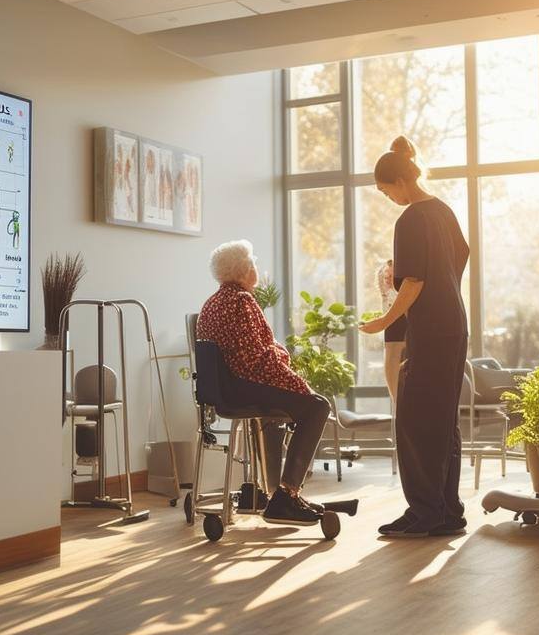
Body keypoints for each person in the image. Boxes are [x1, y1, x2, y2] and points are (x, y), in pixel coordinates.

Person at [360, 136, 469, 538]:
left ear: (400, 182)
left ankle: (423, 512)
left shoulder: (410, 220)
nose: (387, 197)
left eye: (386, 190)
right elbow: (459, 258)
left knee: (412, 419)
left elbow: (414, 281)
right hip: (455, 324)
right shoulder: (443, 211)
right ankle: (447, 512)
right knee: (442, 421)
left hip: (432, 330)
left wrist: (383, 319)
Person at [196, 240, 331, 525]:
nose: (257, 267)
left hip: (227, 390)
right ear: (245, 271)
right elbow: (258, 362)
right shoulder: (242, 301)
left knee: (303, 405)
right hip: (245, 388)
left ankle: (285, 494)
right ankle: (285, 496)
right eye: (254, 263)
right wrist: (299, 384)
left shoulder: (211, 303)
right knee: (317, 406)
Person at [376, 259, 405, 403]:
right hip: (393, 341)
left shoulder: (404, 295)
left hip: (405, 338)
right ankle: (398, 404)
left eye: (392, 277)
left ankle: (399, 404)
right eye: (386, 277)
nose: (388, 280)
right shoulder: (387, 296)